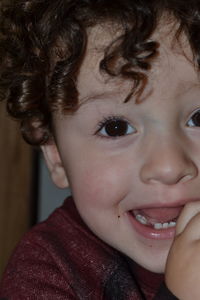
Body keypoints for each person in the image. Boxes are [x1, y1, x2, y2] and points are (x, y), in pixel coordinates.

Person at [0, 0, 200, 298]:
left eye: (198, 118)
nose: (168, 167)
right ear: (55, 155)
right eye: (115, 127)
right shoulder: (48, 272)